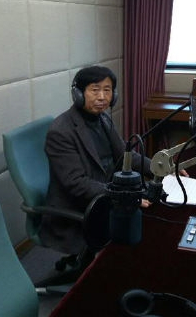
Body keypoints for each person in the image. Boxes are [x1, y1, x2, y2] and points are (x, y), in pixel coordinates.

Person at [41, 65, 152, 258]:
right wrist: (122, 197)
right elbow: (77, 184)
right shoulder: (61, 131)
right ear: (78, 94)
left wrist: (160, 167)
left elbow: (126, 156)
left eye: (107, 90)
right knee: (141, 231)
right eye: (95, 90)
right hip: (80, 210)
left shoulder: (103, 120)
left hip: (107, 198)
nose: (102, 97)